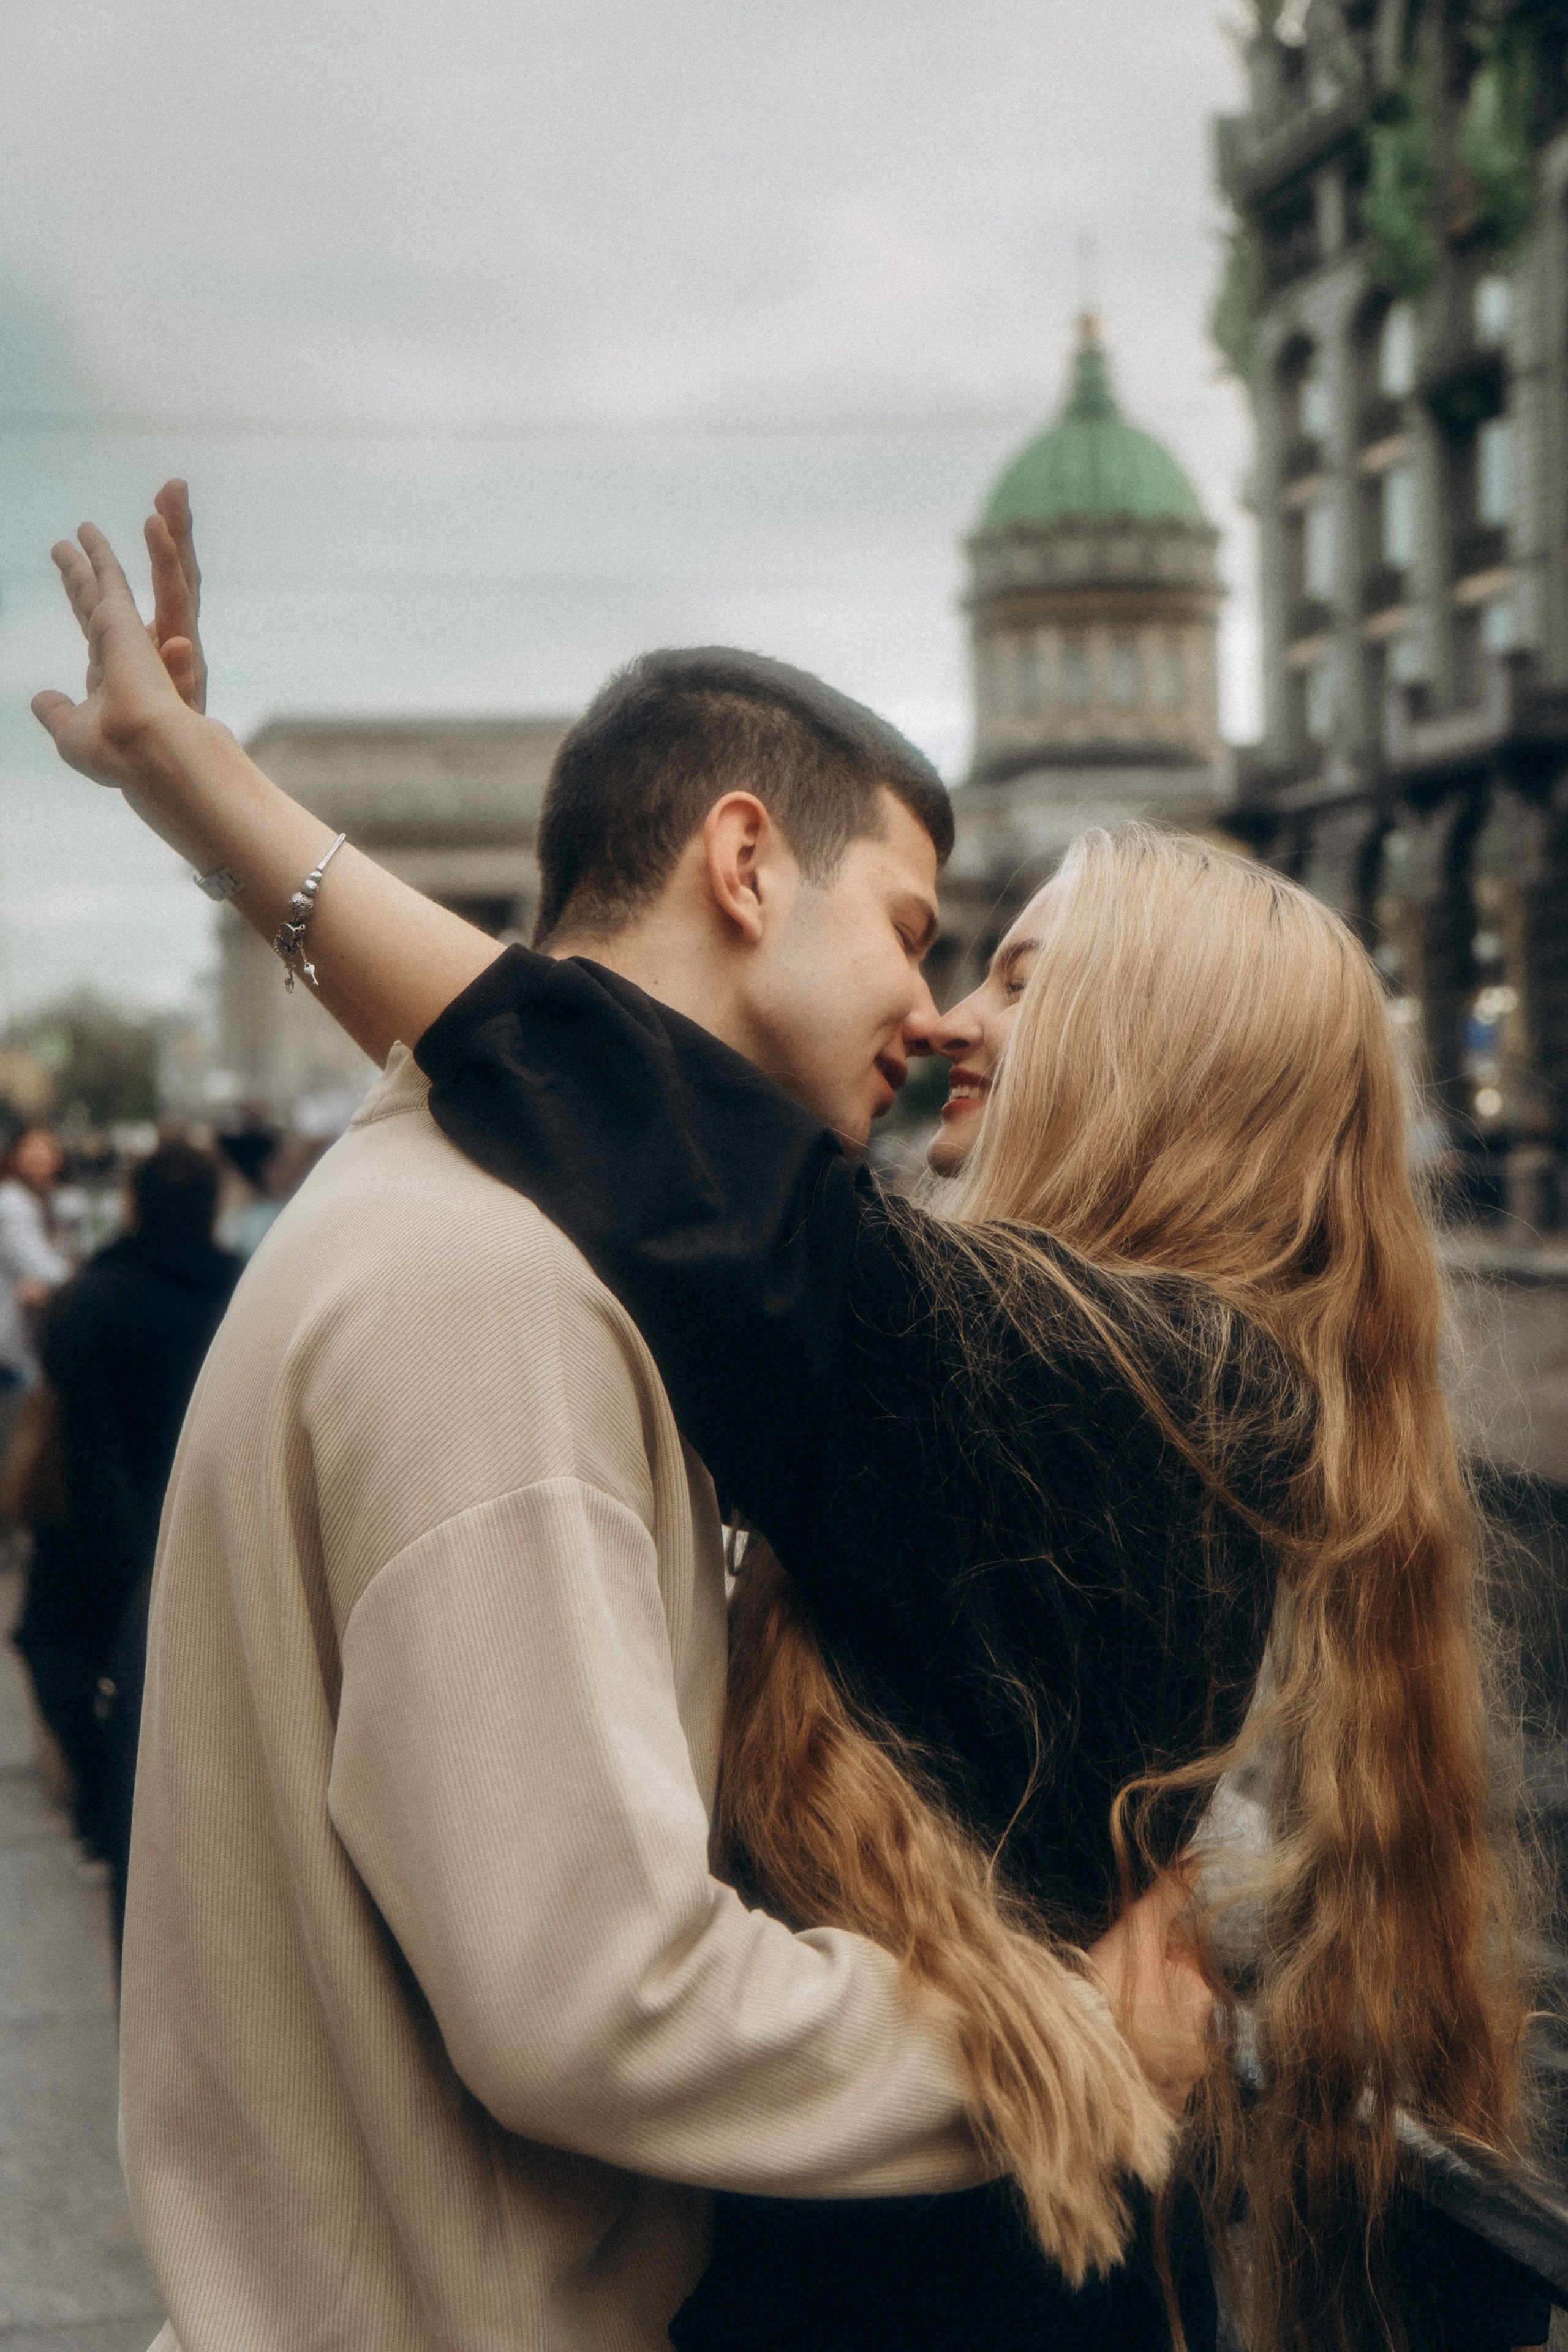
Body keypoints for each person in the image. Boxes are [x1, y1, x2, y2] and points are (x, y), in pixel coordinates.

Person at [45, 497, 1550, 2352]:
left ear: (1164, 1058)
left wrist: (210, 802)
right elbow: (591, 1110)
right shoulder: (560, 1297)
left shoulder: (1116, 1385)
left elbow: (616, 1115)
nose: (941, 1013)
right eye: (936, 942)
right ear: (745, 864)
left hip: (934, 2272)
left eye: (1010, 971)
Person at [35, 1144, 242, 1942]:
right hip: (217, 1530)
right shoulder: (247, 1291)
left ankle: (103, 1814)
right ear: (212, 1209)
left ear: (131, 1205)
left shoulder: (88, 1301)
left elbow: (83, 1436)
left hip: (106, 1535)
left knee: (58, 1655)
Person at [0, 1123, 71, 1401]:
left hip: (30, 1340)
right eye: (31, 1148)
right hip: (11, 1346)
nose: (39, 1155)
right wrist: (86, 1283)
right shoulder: (11, 1202)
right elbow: (44, 1266)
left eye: (46, 1148)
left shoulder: (53, 1198)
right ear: (16, 1155)